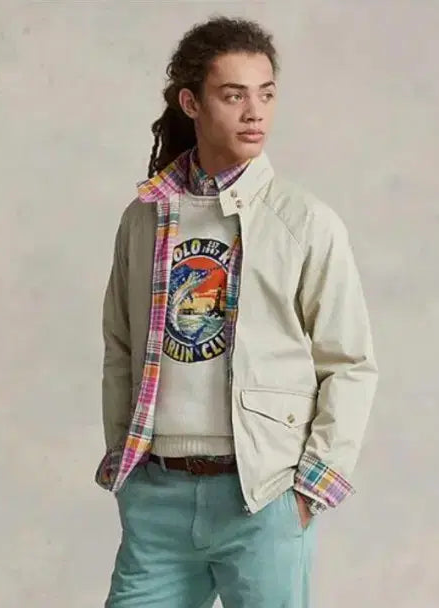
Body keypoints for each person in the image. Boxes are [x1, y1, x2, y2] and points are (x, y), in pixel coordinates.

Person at [94, 15, 379, 608]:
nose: (255, 113)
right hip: (158, 496)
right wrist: (128, 468)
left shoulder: (305, 222)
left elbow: (349, 362)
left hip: (263, 496)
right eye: (233, 95)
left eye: (266, 94)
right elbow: (120, 347)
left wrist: (309, 490)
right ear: (191, 103)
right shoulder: (144, 218)